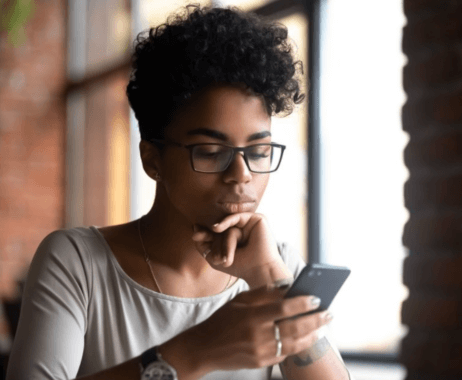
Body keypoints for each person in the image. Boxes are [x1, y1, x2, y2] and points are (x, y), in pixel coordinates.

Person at [6, 4, 352, 380]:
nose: (241, 175)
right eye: (210, 152)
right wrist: (196, 351)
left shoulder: (275, 262)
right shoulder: (78, 264)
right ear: (152, 159)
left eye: (258, 152)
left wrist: (270, 276)